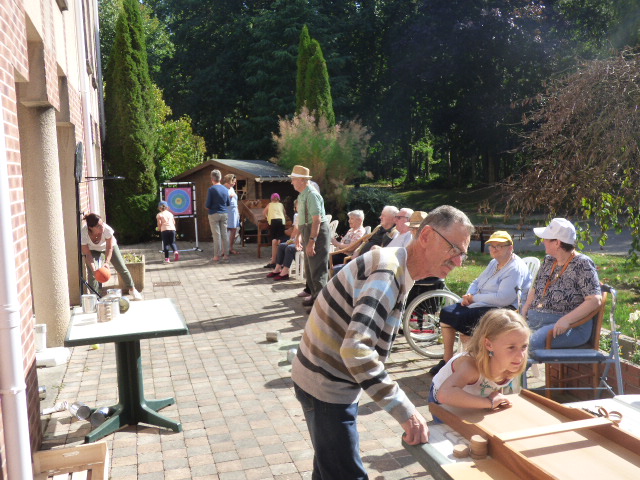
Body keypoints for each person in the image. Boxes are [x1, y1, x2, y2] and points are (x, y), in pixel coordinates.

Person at [291, 205, 474, 479]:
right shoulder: (388, 271)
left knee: (330, 467)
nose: (458, 261)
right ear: (425, 236)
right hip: (326, 386)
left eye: (463, 254)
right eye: (453, 249)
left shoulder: (396, 266)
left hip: (325, 380)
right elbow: (356, 350)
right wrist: (405, 411)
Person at [430, 231, 532, 376]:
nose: (494, 249)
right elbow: (477, 282)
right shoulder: (494, 262)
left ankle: (472, 364)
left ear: (510, 248)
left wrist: (474, 299)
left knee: (464, 319)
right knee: (448, 312)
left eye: (499, 246)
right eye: (492, 246)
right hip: (481, 301)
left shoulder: (514, 268)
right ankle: (447, 360)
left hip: (503, 308)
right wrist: (468, 296)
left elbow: (504, 298)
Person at [521, 218, 602, 350]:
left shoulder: (582, 264)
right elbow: (536, 288)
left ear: (557, 243)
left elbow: (594, 300)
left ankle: (511, 371)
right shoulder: (549, 261)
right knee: (505, 336)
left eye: (546, 238)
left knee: (527, 344)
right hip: (538, 322)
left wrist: (566, 320)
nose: (543, 241)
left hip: (570, 327)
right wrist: (526, 308)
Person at [430, 309, 530, 415]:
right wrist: (489, 402)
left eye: (524, 346)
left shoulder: (511, 363)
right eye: (511, 347)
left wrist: (495, 397)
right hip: (444, 403)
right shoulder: (471, 366)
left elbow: (494, 385)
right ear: (489, 345)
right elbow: (444, 395)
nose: (520, 356)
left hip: (476, 396)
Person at [289, 165, 331, 309]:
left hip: (317, 232)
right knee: (309, 267)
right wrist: (299, 237)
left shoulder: (312, 194)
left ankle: (321, 306)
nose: (292, 182)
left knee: (317, 269)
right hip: (309, 230)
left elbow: (317, 220)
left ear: (301, 180)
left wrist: (312, 241)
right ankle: (315, 297)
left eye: (293, 179)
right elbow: (302, 219)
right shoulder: (302, 195)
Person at [81, 213, 142, 300]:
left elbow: (109, 248)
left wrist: (106, 262)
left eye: (102, 224)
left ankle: (132, 289)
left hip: (108, 247)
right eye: (98, 226)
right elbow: (88, 255)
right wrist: (94, 269)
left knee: (121, 267)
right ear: (91, 227)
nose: (102, 227)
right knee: (92, 273)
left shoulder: (107, 230)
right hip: (93, 250)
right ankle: (95, 297)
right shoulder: (84, 233)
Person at [266, 201, 301, 281]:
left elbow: (302, 231)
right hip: (297, 239)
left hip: (304, 241)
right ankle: (277, 268)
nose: (296, 208)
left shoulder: (306, 216)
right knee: (282, 245)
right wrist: (291, 240)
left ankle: (285, 272)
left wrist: (295, 240)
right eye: (297, 206)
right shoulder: (298, 216)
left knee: (289, 248)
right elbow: (295, 230)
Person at [205, 169, 230, 263]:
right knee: (224, 234)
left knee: (216, 236)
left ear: (212, 178)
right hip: (224, 213)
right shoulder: (225, 189)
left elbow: (208, 205)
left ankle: (216, 256)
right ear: (220, 178)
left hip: (214, 214)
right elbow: (228, 202)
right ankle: (226, 255)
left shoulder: (211, 189)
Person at [263, 193, 288, 268]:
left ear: (271, 199)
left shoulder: (269, 204)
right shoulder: (281, 204)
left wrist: (267, 218)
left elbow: (264, 212)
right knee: (280, 239)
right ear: (278, 199)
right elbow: (284, 213)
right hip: (281, 221)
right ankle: (281, 260)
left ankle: (273, 260)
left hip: (273, 221)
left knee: (274, 240)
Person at [223, 173, 241, 255]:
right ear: (229, 181)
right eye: (233, 182)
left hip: (234, 211)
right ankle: (224, 249)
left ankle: (230, 248)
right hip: (227, 211)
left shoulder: (231, 188)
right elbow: (221, 200)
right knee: (225, 230)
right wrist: (229, 196)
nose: (234, 183)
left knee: (234, 229)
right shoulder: (223, 188)